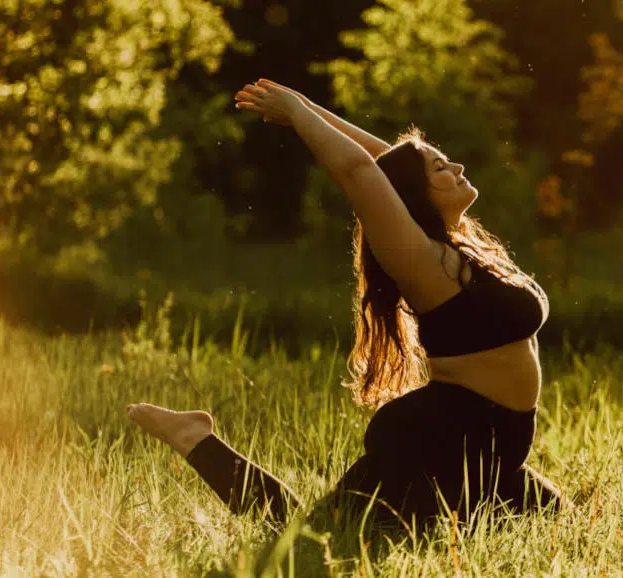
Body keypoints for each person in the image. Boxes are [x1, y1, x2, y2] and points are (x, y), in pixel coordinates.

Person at [126, 79, 565, 530]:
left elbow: (387, 165)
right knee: (308, 538)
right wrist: (298, 115)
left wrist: (309, 106)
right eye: (440, 169)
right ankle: (195, 438)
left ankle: (195, 436)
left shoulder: (464, 246)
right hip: (443, 444)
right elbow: (362, 173)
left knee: (565, 532)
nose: (456, 166)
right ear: (419, 195)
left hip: (493, 449)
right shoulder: (423, 262)